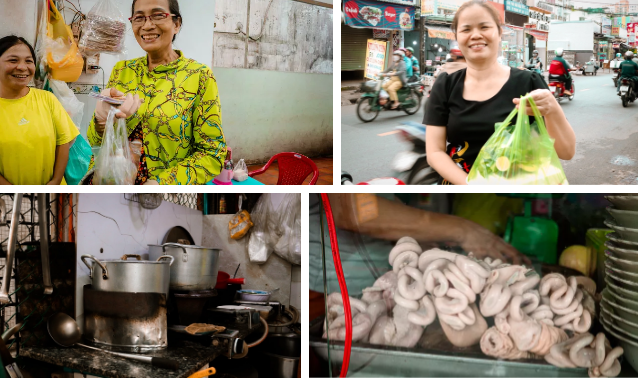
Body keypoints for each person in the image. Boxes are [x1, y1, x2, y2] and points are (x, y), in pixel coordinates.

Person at [423, 0, 575, 185]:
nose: (476, 35)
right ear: (457, 36)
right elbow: (435, 152)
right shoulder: (446, 85)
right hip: (460, 194)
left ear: (499, 32)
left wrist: (552, 109)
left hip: (517, 199)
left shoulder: (529, 82)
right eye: (466, 29)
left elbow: (566, 152)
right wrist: (472, 186)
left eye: (484, 27)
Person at [87, 0, 227, 185]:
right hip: (114, 185)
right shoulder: (122, 71)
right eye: (139, 18)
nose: (147, 25)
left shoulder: (199, 76)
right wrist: (100, 122)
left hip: (163, 197)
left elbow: (212, 154)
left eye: (158, 15)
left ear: (176, 24)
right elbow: (96, 142)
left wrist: (163, 183)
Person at [308, 193, 530, 304]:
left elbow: (379, 213)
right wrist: (462, 229)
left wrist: (420, 240)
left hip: (392, 286)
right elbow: (350, 209)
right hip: (336, 292)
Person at [0, 36, 79, 185]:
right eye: (13, 60)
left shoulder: (47, 99)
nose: (22, 67)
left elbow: (63, 142)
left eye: (28, 61)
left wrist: (55, 181)